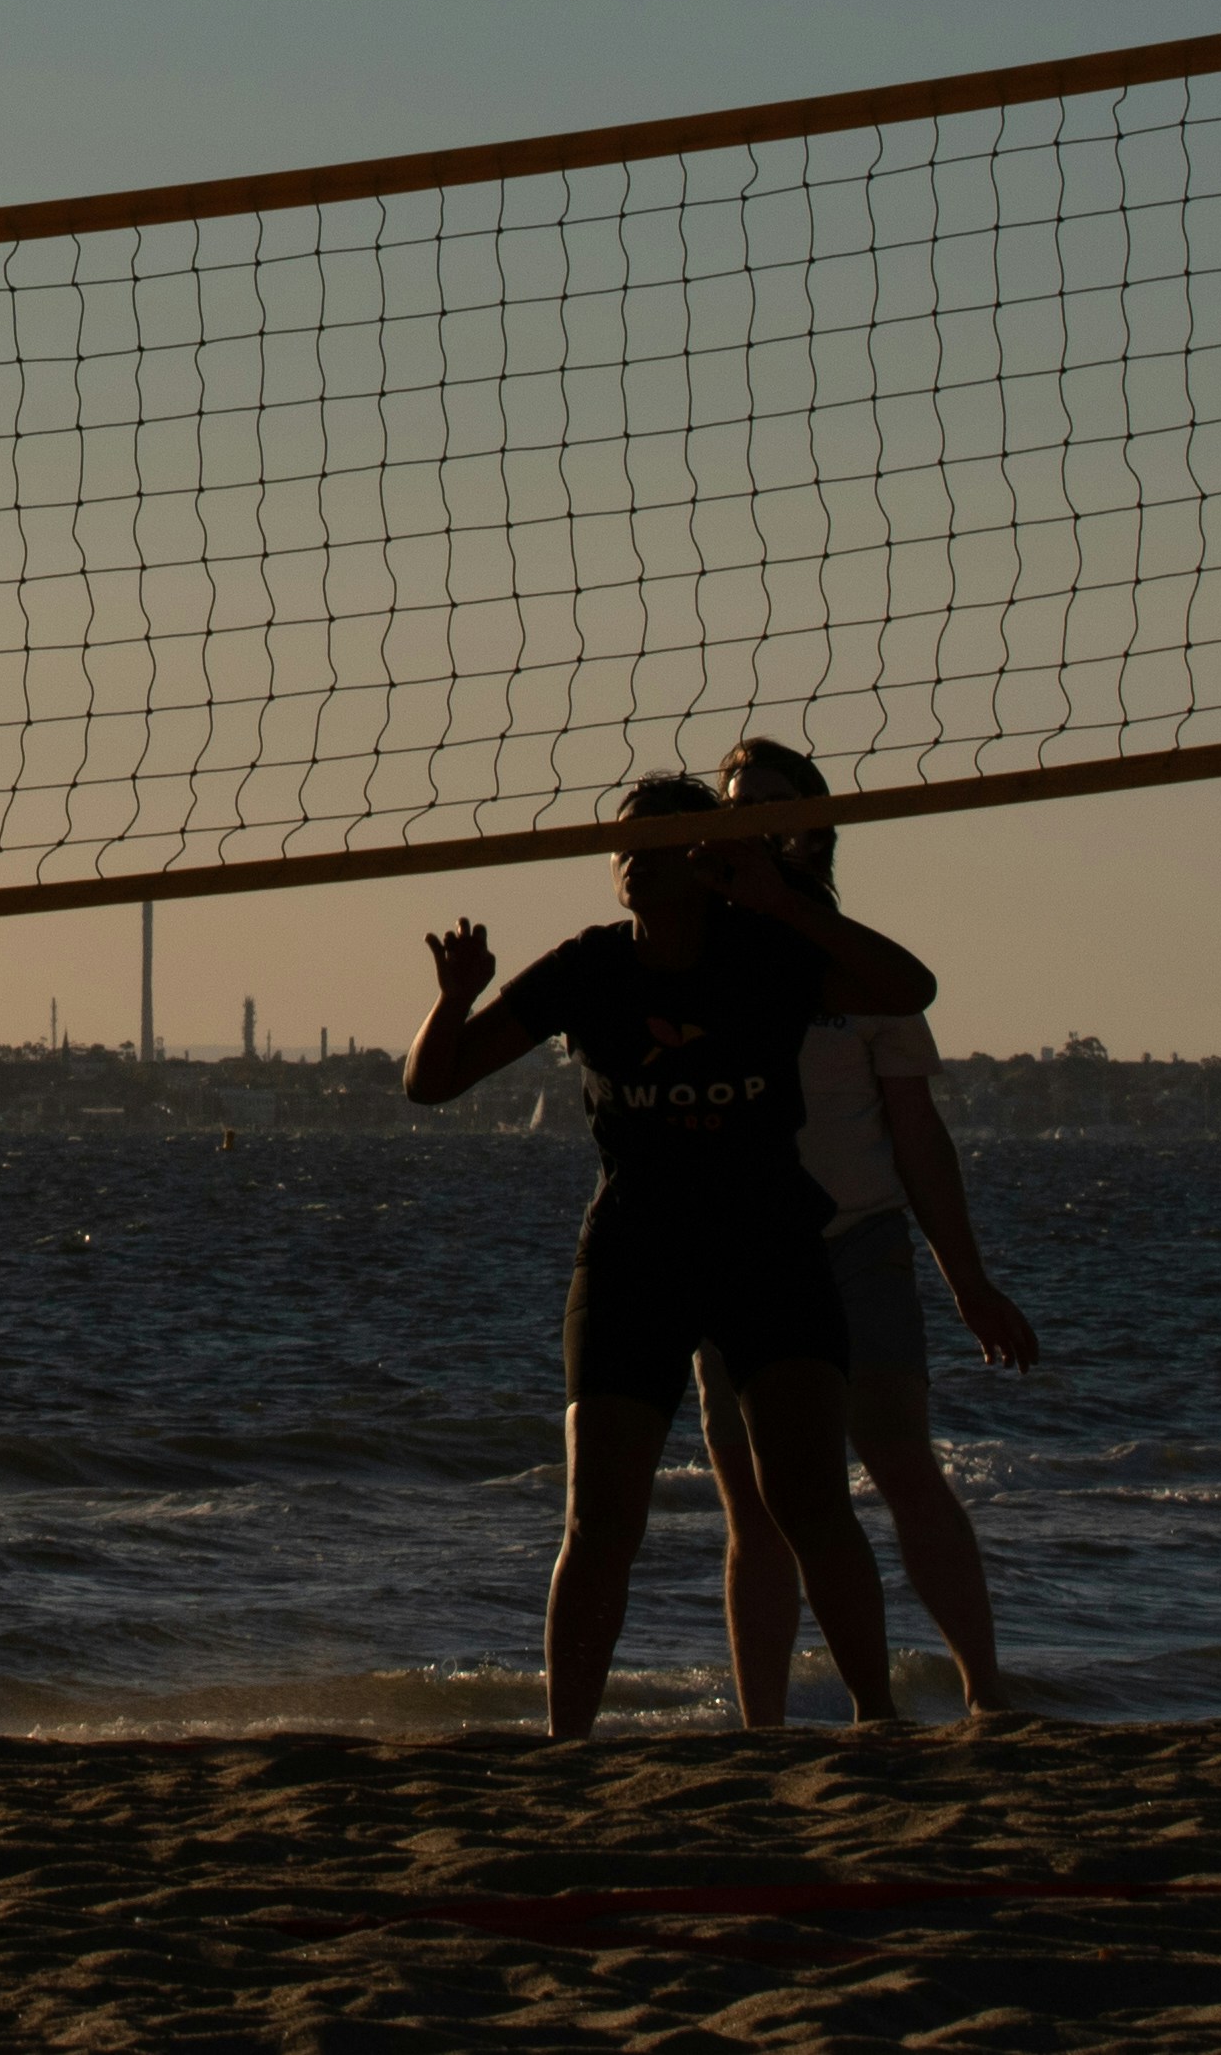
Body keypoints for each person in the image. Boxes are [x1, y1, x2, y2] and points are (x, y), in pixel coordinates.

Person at [408, 755, 947, 1736]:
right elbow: (433, 1083)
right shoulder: (592, 965)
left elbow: (910, 986)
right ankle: (568, 1741)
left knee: (808, 1499)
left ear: (707, 861)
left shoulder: (767, 954)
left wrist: (786, 905)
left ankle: (877, 1722)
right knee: (599, 1519)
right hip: (636, 1254)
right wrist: (455, 997)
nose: (633, 858)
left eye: (657, 842)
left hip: (768, 1247)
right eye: (625, 843)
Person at [692, 740, 1041, 1725]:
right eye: (734, 806)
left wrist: (968, 1279)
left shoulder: (859, 965)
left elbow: (919, 1133)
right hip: (737, 1254)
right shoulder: (688, 955)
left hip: (858, 1244)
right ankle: (763, 1723)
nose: (752, 818)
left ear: (812, 827)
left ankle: (986, 1693)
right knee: (756, 1505)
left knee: (898, 1461)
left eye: (772, 804)